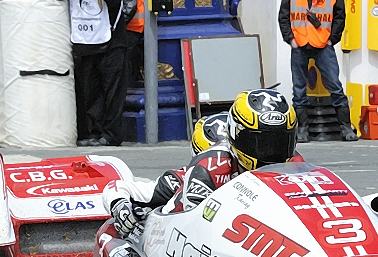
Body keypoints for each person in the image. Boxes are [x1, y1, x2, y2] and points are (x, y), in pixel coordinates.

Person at [102, 89, 299, 237]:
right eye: (261, 143)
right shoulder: (210, 167)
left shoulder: (296, 165)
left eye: (280, 142)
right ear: (236, 136)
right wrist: (121, 206)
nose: (272, 152)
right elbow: (198, 232)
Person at [278, 0, 358, 142]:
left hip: (323, 44)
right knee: (299, 91)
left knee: (336, 88)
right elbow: (284, 14)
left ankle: (346, 128)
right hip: (300, 43)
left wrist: (333, 39)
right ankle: (302, 130)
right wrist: (290, 39)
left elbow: (341, 14)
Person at [49, 0, 125, 147]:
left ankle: (111, 135)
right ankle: (93, 132)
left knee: (111, 94)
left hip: (110, 45)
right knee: (90, 94)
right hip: (84, 44)